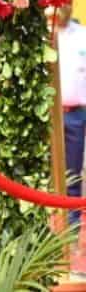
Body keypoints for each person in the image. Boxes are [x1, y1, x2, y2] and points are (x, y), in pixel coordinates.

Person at [59, 13, 86, 233]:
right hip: (47, 114)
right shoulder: (40, 33)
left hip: (76, 113)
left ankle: (72, 226)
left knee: (73, 173)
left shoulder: (82, 36)